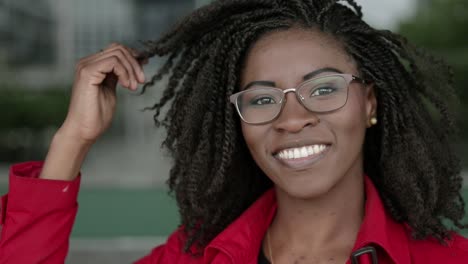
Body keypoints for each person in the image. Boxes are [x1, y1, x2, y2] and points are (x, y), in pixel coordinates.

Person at [1, 0, 468, 263]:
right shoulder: (192, 258)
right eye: (262, 99)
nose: (291, 118)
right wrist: (72, 142)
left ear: (370, 103)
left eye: (323, 89)